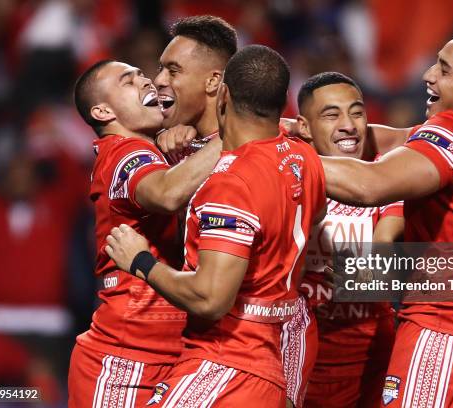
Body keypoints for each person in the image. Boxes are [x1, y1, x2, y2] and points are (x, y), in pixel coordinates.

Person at [320, 29, 453, 407]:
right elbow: (405, 139)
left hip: (446, 331)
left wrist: (275, 156)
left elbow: (370, 185)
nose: (428, 75)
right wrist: (301, 133)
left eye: (445, 70)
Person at [105, 45, 326, 407]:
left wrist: (141, 261)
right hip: (279, 351)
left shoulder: (230, 182)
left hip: (226, 360)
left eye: (173, 70)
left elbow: (209, 298)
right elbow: (311, 219)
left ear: (222, 92)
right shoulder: (302, 156)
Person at [68, 60, 221, 407]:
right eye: (128, 81)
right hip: (127, 358)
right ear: (103, 110)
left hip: (176, 351)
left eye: (142, 75)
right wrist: (238, 131)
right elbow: (167, 194)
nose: (148, 82)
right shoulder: (125, 153)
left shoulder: (157, 153)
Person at [282, 72, 403, 408]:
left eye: (357, 112)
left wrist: (370, 274)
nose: (349, 125)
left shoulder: (387, 176)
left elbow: (387, 240)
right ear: (304, 127)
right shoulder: (286, 176)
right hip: (299, 356)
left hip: (371, 359)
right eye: (332, 115)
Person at [154, 15, 237, 160]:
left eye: (173, 71)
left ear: (212, 81)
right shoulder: (169, 148)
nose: (158, 80)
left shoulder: (251, 149)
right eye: (160, 69)